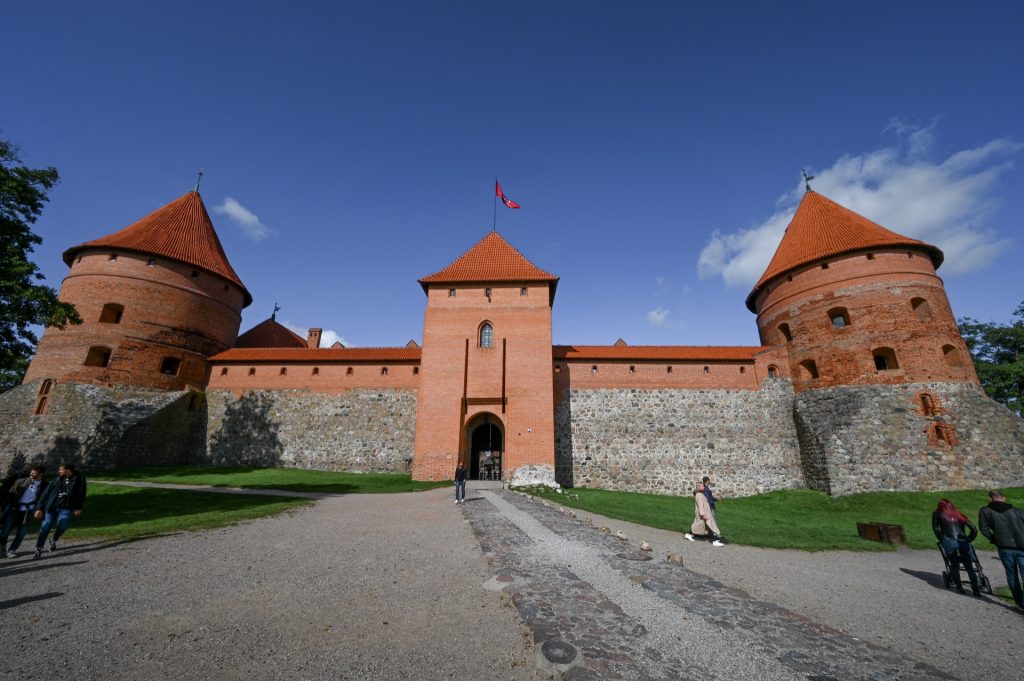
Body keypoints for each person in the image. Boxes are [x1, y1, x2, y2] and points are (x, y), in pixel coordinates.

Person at [978, 489, 1024, 609]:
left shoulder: (985, 511)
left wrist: (994, 539)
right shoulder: (1018, 512)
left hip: (1004, 546)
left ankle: (1020, 603)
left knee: (1012, 575)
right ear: (1003, 498)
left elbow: (984, 529)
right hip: (1022, 546)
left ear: (990, 498)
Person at [33, 462, 87, 559]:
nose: (59, 471)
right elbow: (45, 494)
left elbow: (81, 495)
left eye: (61, 470)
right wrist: (39, 508)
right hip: (51, 508)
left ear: (68, 470)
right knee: (45, 527)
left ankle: (53, 539)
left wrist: (78, 507)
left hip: (66, 508)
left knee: (62, 527)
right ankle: (38, 549)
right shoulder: (56, 480)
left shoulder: (79, 480)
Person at [932, 499, 980, 596]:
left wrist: (941, 539)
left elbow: (936, 528)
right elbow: (973, 529)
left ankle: (959, 588)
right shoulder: (958, 514)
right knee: (969, 566)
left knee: (954, 564)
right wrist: (969, 539)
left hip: (949, 541)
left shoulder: (938, 514)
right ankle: (976, 590)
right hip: (962, 541)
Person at [1, 465, 48, 558]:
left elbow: (45, 499)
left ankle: (12, 550)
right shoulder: (20, 482)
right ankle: (2, 546)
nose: (31, 474)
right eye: (31, 472)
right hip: (15, 509)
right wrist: (3, 508)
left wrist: (40, 509)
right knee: (6, 530)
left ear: (40, 474)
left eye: (34, 473)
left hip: (29, 511)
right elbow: (9, 496)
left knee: (21, 532)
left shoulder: (45, 485)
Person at [685, 481, 725, 547]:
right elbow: (700, 505)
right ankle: (714, 540)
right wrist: (702, 514)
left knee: (699, 525)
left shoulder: (700, 494)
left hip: (705, 512)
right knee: (708, 525)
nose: (704, 487)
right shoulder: (699, 495)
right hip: (703, 513)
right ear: (699, 487)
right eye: (702, 486)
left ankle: (688, 534)